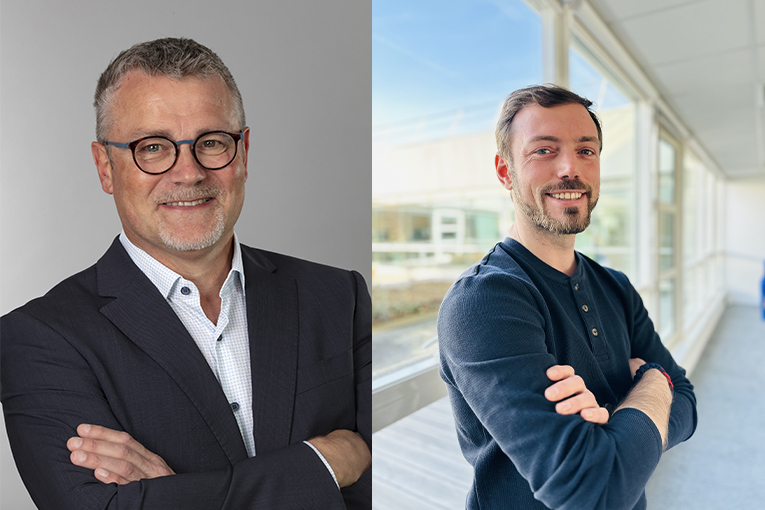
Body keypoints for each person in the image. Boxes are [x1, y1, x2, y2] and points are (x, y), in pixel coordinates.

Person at [0, 37, 371, 510]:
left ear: (243, 152)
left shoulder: (339, 295)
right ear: (105, 166)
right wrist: (328, 461)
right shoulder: (39, 338)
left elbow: (388, 478)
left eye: (212, 142)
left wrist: (177, 495)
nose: (188, 173)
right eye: (152, 148)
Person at [437, 84, 696, 509]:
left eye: (586, 151)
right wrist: (654, 384)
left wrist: (617, 430)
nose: (569, 169)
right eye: (544, 150)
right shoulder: (484, 301)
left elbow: (690, 405)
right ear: (505, 173)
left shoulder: (616, 286)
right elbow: (594, 491)